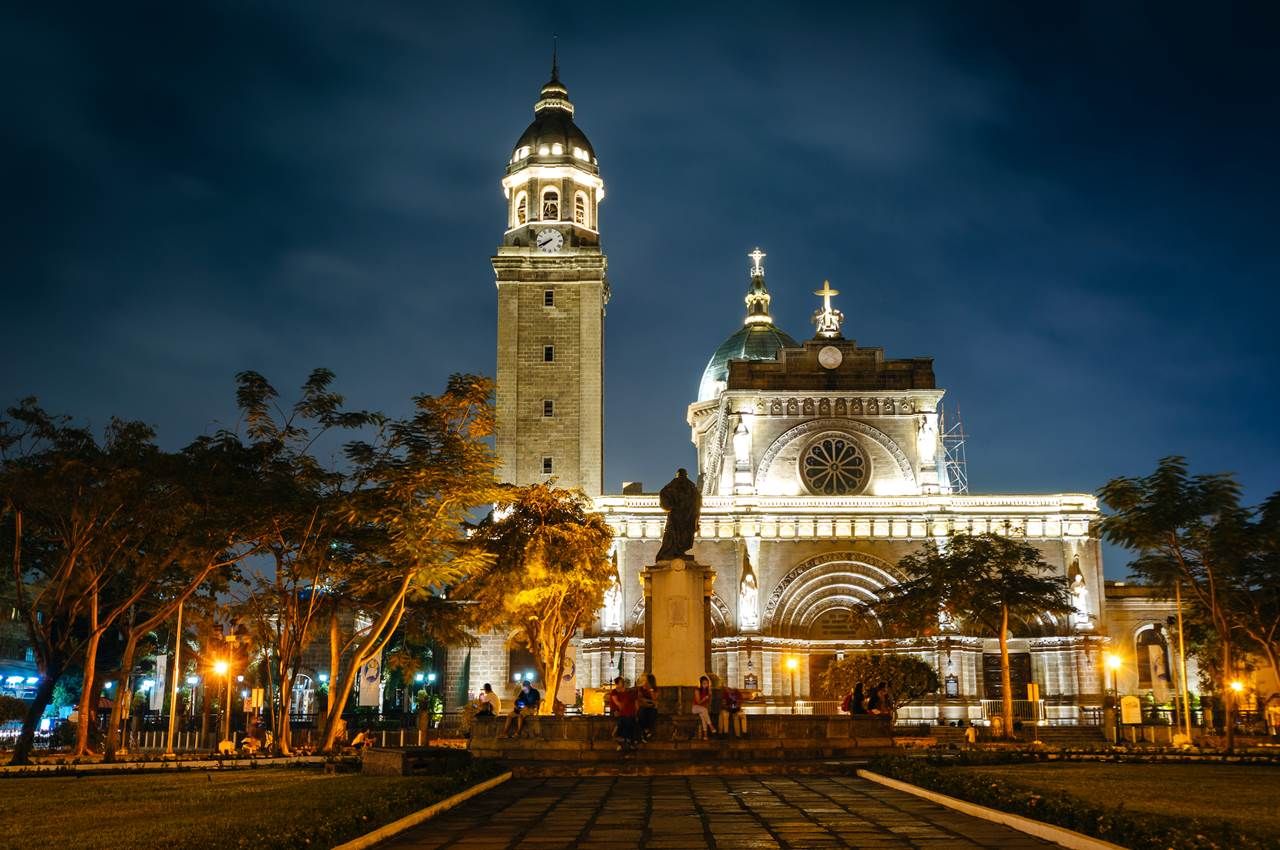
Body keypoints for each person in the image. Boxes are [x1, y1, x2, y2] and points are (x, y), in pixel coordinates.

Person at [608, 676, 640, 752]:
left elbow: (635, 704)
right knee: (627, 722)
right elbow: (618, 703)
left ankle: (626, 742)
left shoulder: (628, 693)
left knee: (628, 722)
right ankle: (628, 741)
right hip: (620, 712)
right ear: (617, 683)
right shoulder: (615, 692)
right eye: (621, 682)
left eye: (623, 682)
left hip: (626, 713)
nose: (623, 683)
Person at [637, 673, 659, 742]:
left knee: (652, 713)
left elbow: (654, 698)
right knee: (642, 712)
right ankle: (646, 731)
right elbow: (640, 698)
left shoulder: (654, 689)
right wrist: (650, 701)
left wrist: (650, 690)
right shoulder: (641, 689)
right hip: (644, 706)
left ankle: (648, 731)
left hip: (651, 707)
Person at [692, 675, 714, 740]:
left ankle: (705, 736)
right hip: (695, 708)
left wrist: (710, 694)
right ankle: (711, 726)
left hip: (703, 709)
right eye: (704, 683)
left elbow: (709, 703)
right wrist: (704, 699)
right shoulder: (697, 690)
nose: (706, 685)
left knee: (703, 717)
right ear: (701, 684)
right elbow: (698, 702)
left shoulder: (707, 691)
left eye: (707, 683)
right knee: (704, 710)